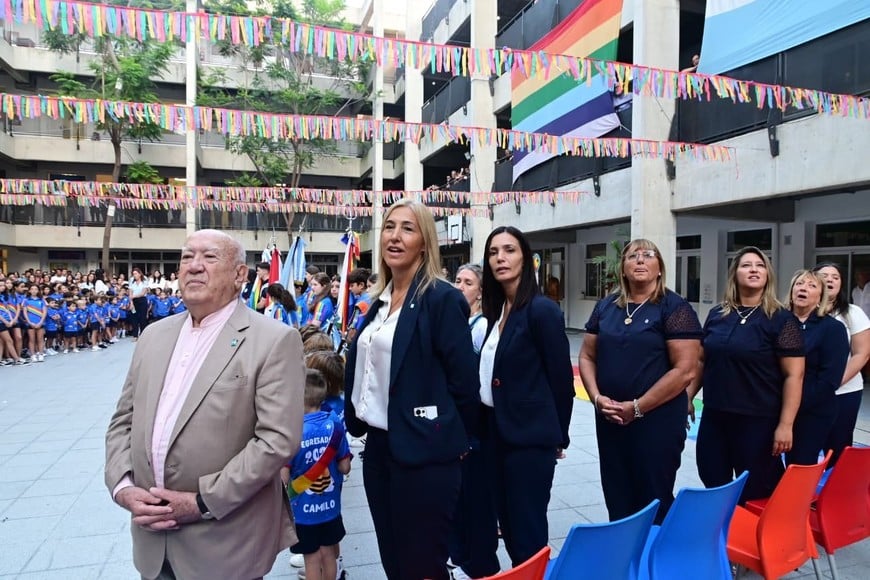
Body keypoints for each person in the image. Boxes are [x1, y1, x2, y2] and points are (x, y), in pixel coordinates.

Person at [104, 229, 306, 580]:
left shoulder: (273, 340)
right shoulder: (153, 335)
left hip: (224, 544)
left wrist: (201, 501)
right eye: (187, 257)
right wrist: (123, 487)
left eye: (209, 257)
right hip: (152, 541)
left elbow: (276, 441)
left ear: (240, 275)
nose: (194, 266)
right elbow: (124, 419)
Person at [344, 199, 480, 580]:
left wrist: (452, 442)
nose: (395, 236)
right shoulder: (378, 302)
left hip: (426, 453)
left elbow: (465, 384)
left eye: (407, 228)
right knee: (394, 562)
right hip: (379, 449)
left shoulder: (442, 298)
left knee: (422, 566)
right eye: (389, 226)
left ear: (425, 242)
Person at [579, 239, 702, 524]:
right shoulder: (606, 306)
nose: (640, 260)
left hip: (657, 420)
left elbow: (685, 370)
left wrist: (637, 407)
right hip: (611, 418)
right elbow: (586, 356)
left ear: (660, 268)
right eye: (632, 256)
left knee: (652, 496)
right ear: (623, 268)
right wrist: (597, 398)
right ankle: (624, 549)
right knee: (617, 492)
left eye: (648, 255)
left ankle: (653, 549)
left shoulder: (674, 308)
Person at [478, 226, 575, 568]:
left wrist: (557, 436)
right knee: (507, 524)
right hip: (494, 434)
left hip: (530, 437)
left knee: (527, 531)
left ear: (526, 257)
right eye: (493, 252)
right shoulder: (496, 311)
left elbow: (561, 381)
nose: (500, 258)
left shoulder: (541, 310)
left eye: (509, 250)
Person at [689, 247, 805, 503]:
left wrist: (786, 425)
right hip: (716, 416)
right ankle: (724, 526)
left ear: (768, 274)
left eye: (760, 265)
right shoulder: (717, 314)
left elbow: (794, 376)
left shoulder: (782, 320)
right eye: (746, 265)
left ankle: (749, 527)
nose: (754, 270)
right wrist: (688, 396)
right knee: (712, 478)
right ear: (734, 274)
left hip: (758, 421)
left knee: (755, 489)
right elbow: (701, 360)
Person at [449, 262, 497, 579]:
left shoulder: (482, 327)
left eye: (468, 282)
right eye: (457, 280)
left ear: (480, 291)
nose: (460, 286)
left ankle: (479, 564)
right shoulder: (454, 321)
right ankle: (460, 556)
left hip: (475, 426)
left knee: (476, 499)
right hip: (453, 424)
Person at [283, 369, 352, 580]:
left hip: (303, 512)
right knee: (329, 554)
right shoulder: (335, 424)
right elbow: (345, 467)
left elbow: (283, 478)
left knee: (312, 559)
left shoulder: (294, 432)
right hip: (331, 508)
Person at [784, 269, 849, 466]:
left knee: (800, 462)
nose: (803, 288)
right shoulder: (778, 323)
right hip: (773, 407)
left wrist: (794, 405)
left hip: (812, 411)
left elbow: (830, 379)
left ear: (820, 298)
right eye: (799, 284)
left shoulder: (832, 329)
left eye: (812, 286)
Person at [813, 262, 870, 466]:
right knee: (807, 445)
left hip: (844, 391)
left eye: (835, 277)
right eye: (825, 276)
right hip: (807, 391)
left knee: (838, 447)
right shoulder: (800, 312)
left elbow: (861, 354)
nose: (830, 280)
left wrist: (832, 383)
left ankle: (838, 484)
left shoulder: (853, 313)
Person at [128, 268, 149, 339]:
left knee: (142, 318)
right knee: (134, 317)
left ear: (139, 274)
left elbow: (143, 293)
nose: (134, 275)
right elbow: (130, 292)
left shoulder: (144, 280)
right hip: (134, 301)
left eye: (136, 274)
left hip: (142, 300)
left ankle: (142, 334)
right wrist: (131, 303)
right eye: (133, 274)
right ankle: (135, 335)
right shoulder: (131, 280)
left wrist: (133, 296)